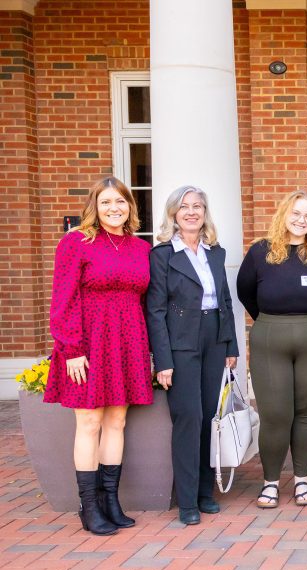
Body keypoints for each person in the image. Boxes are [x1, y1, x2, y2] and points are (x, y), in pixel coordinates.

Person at [43, 177, 153, 535]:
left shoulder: (140, 247)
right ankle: (88, 506)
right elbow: (63, 299)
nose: (114, 209)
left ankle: (110, 500)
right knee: (89, 423)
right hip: (88, 343)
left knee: (116, 422)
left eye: (120, 202)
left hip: (128, 342)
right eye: (106, 202)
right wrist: (71, 349)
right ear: (95, 206)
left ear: (130, 207)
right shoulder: (76, 242)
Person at [236, 190, 307, 509]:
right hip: (271, 337)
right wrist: (272, 322)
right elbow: (245, 292)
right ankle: (269, 483)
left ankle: (302, 480)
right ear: (284, 213)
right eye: (296, 213)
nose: (301, 220)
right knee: (275, 414)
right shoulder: (260, 252)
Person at [147, 186, 240, 526]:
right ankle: (187, 500)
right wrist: (164, 360)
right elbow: (155, 311)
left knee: (208, 419)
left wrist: (231, 347)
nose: (191, 212)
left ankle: (205, 493)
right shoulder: (161, 256)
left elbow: (225, 302)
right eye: (184, 207)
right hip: (180, 343)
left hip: (214, 339)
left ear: (205, 212)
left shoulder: (215, 252)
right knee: (188, 418)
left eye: (197, 206)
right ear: (173, 214)